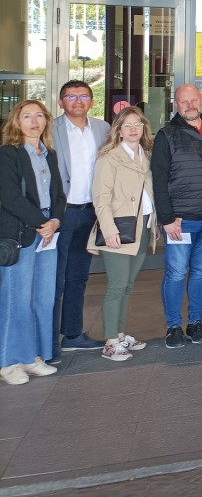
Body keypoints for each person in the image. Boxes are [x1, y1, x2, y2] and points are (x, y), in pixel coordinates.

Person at [152, 83, 202, 348]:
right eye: (183, 102)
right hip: (179, 221)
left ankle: (196, 322)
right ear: (176, 104)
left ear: (201, 100)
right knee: (175, 273)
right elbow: (159, 180)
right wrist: (166, 218)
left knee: (201, 272)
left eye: (193, 100)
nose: (189, 105)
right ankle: (173, 326)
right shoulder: (166, 135)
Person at [0, 100, 65, 385]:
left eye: (39, 116)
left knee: (43, 297)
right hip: (24, 232)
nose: (33, 121)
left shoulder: (48, 153)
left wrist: (56, 221)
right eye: (27, 116)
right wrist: (42, 223)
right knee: (18, 298)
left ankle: (32, 356)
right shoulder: (8, 154)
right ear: (17, 121)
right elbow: (11, 197)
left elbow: (60, 193)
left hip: (48, 231)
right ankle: (9, 362)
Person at [89, 106, 159, 362]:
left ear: (143, 129)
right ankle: (110, 343)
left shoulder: (146, 155)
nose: (132, 129)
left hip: (144, 226)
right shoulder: (109, 157)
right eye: (127, 125)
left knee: (128, 285)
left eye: (137, 125)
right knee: (116, 286)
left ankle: (118, 334)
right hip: (119, 228)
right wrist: (109, 230)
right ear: (118, 130)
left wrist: (156, 225)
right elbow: (101, 198)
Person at [51, 80, 111, 356]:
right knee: (55, 279)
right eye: (71, 96)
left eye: (83, 96)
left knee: (78, 277)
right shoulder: (50, 129)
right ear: (61, 101)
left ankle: (73, 334)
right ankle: (48, 339)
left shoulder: (102, 128)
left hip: (89, 213)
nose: (78, 101)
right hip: (59, 215)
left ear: (92, 101)